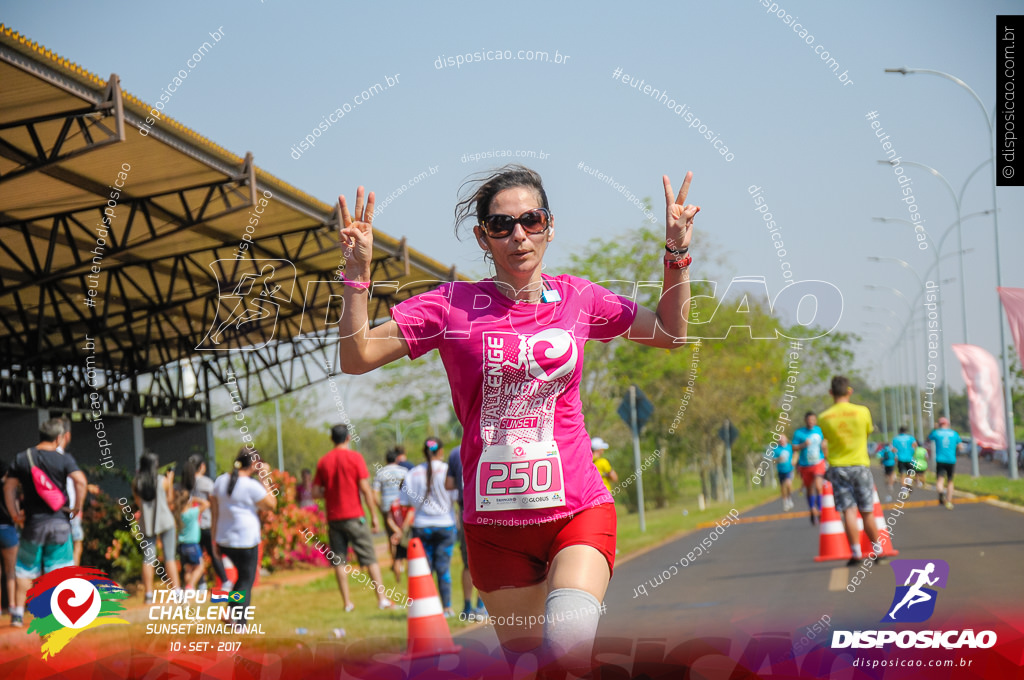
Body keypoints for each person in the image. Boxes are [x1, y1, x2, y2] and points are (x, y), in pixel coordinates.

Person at [336, 165, 696, 673]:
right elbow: (357, 357)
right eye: (502, 226)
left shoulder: (580, 298)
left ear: (549, 225)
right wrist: (356, 276)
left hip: (577, 511)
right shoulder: (449, 306)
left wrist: (676, 252)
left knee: (568, 651)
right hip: (494, 530)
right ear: (484, 238)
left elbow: (670, 331)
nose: (519, 235)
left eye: (531, 220)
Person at [3, 418, 87, 627]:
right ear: (59, 438)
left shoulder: (23, 458)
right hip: (59, 523)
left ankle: (17, 614)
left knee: (24, 569)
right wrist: (77, 507)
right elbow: (81, 481)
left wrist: (14, 513)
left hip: (33, 524)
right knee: (57, 570)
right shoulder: (64, 459)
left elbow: (8, 487)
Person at [313, 425, 392, 611]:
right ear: (348, 438)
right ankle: (381, 599)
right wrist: (374, 515)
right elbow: (365, 489)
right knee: (370, 558)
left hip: (334, 518)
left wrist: (330, 491)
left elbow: (315, 492)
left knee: (339, 562)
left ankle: (347, 603)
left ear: (332, 439)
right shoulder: (355, 458)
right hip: (355, 516)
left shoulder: (324, 461)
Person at [817, 376, 885, 567]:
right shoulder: (862, 412)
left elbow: (827, 440)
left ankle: (856, 553)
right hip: (860, 465)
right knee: (867, 511)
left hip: (838, 467)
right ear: (850, 391)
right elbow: (867, 432)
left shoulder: (824, 417)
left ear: (831, 393)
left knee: (848, 510)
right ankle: (877, 550)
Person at [210, 448, 276, 621]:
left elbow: (214, 514)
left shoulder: (220, 481)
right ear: (254, 464)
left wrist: (214, 540)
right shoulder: (251, 485)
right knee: (246, 581)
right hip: (246, 541)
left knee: (241, 579)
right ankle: (239, 621)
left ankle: (230, 612)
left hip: (224, 540)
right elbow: (271, 504)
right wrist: (264, 479)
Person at [400, 439, 458, 617]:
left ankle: (426, 608)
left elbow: (404, 501)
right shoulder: (447, 470)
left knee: (424, 570)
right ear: (440, 451)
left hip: (421, 526)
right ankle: (447, 607)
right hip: (445, 525)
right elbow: (455, 495)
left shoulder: (413, 473)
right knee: (444, 568)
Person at [132, 451, 181, 600]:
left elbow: (138, 503)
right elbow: (170, 500)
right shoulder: (162, 481)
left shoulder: (137, 483)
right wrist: (170, 481)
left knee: (148, 559)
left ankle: (148, 594)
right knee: (170, 557)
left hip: (147, 524)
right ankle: (177, 592)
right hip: (166, 522)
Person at [445, 444, 486, 621]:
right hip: (490, 506)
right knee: (489, 561)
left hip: (466, 510)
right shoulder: (490, 442)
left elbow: (449, 484)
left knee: (469, 561)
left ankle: (467, 607)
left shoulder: (455, 452)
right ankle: (482, 606)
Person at [183, 454, 229, 589]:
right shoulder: (206, 482)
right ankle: (225, 581)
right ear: (202, 466)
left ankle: (201, 584)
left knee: (197, 558)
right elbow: (214, 501)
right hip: (207, 523)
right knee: (214, 554)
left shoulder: (187, 483)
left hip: (192, 526)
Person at [373, 448, 409, 581]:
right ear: (396, 459)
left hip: (388, 510)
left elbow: (374, 494)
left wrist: (381, 507)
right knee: (405, 535)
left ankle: (395, 563)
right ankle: (406, 563)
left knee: (392, 537)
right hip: (403, 507)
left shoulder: (380, 473)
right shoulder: (403, 471)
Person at [792, 411, 828, 525]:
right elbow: (794, 447)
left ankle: (821, 510)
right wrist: (803, 445)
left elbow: (824, 444)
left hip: (818, 462)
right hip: (805, 464)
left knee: (818, 486)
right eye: (809, 420)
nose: (811, 422)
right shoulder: (799, 433)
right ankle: (812, 509)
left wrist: (825, 451)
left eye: (813, 420)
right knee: (809, 489)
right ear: (805, 421)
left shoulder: (819, 431)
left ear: (815, 420)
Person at [176, 486, 210, 589]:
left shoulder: (178, 514)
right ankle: (190, 586)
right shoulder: (192, 513)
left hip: (182, 546)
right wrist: (195, 499)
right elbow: (206, 504)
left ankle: (189, 588)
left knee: (188, 569)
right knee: (200, 566)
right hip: (193, 544)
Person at [928, 417, 961, 510]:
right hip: (951, 460)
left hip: (940, 460)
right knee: (950, 481)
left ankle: (941, 493)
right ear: (948, 424)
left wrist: (935, 428)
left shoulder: (936, 433)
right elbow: (960, 446)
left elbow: (929, 437)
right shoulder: (954, 433)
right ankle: (949, 501)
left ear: (939, 424)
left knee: (940, 480)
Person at [0, 458, 19, 622]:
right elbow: (16, 512)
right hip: (8, 530)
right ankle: (12, 606)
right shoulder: (10, 489)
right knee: (11, 571)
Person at [773, 434, 795, 511]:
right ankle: (785, 502)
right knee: (782, 487)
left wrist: (794, 460)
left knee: (788, 484)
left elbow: (795, 454)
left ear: (786, 439)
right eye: (780, 439)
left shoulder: (789, 447)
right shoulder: (776, 449)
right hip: (781, 470)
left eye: (783, 439)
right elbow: (774, 460)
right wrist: (779, 459)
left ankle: (789, 499)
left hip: (789, 469)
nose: (781, 440)